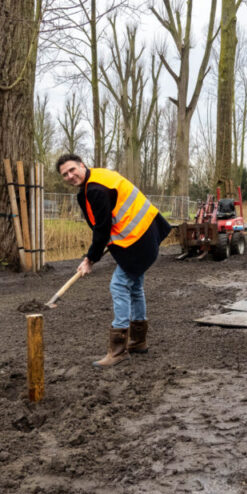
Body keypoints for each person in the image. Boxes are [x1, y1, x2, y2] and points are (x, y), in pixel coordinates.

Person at [57, 154, 172, 368]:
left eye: (73, 170)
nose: (70, 176)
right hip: (147, 233)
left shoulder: (95, 190)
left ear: (82, 165)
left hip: (138, 240)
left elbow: (102, 229)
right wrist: (93, 255)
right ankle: (138, 341)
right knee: (135, 287)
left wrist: (90, 259)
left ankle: (118, 349)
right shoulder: (97, 178)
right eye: (65, 174)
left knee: (119, 285)